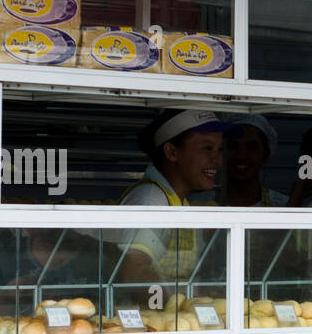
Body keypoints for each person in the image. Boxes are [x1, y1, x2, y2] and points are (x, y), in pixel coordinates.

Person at [114, 109, 226, 288]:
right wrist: (181, 303)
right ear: (172, 152)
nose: (218, 161)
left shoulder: (179, 201)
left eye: (219, 150)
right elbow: (134, 274)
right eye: (207, 148)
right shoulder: (151, 200)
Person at [222, 113, 283, 207]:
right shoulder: (199, 204)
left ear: (266, 154)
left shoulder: (283, 207)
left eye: (251, 147)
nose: (241, 155)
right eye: (232, 146)